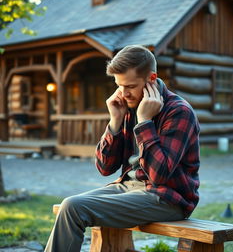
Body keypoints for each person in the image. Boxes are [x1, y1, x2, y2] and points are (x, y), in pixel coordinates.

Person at [45, 45, 200, 252]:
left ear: (152, 78)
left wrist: (144, 122)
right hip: (128, 187)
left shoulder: (179, 112)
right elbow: (104, 168)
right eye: (119, 86)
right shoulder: (126, 107)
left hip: (168, 198)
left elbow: (159, 175)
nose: (124, 93)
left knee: (74, 208)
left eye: (130, 86)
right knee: (68, 204)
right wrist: (115, 121)